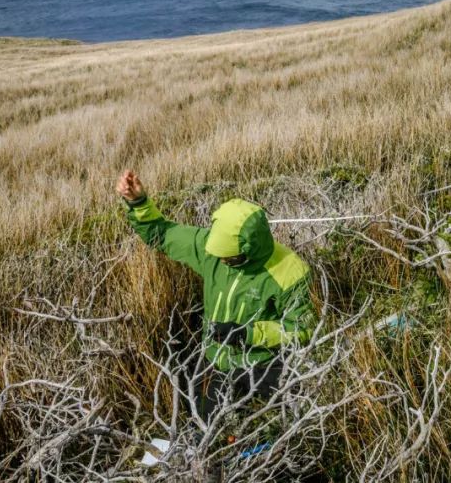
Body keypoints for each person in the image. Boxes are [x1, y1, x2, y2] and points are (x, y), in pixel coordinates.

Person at [116, 169, 316, 422]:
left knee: (272, 428)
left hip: (263, 366)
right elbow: (162, 234)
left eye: (229, 258)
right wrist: (138, 202)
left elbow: (303, 328)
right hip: (213, 360)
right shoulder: (212, 247)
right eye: (219, 254)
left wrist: (249, 334)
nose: (221, 261)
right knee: (206, 430)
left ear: (248, 250)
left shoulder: (290, 271)